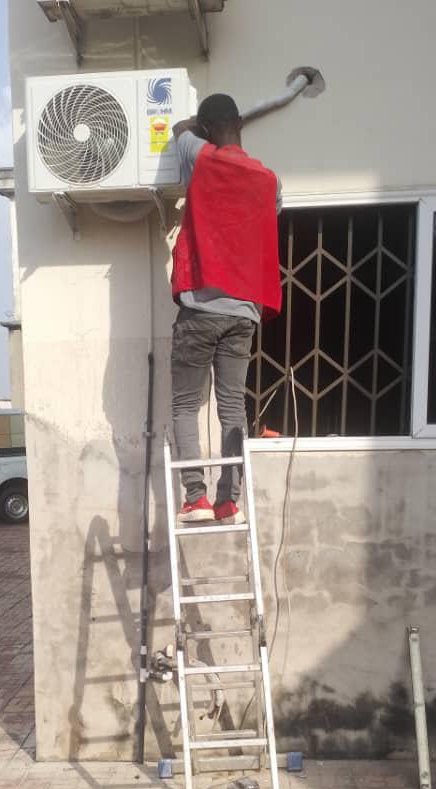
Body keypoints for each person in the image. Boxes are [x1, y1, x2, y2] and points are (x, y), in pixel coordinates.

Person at [170, 92, 283, 525]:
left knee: (186, 404)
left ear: (206, 128)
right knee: (232, 406)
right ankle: (228, 502)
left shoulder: (198, 153)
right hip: (243, 313)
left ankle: (195, 499)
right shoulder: (269, 180)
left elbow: (179, 129)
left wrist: (197, 130)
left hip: (201, 305)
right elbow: (269, 217)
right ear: (238, 125)